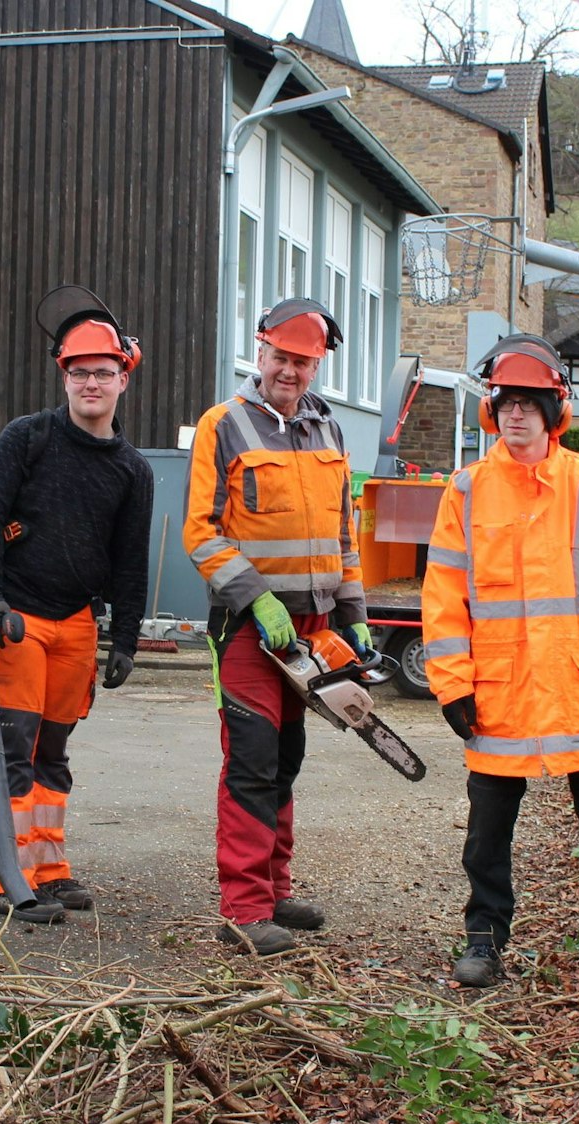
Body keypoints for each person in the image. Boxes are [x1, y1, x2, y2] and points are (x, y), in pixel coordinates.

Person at [420, 333, 579, 988]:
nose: (516, 415)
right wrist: (452, 685)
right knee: (487, 839)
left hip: (577, 692)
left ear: (551, 412)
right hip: (499, 695)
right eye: (507, 402)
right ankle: (483, 942)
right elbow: (444, 598)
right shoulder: (467, 491)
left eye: (529, 404)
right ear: (494, 409)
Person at [183, 298, 371, 956]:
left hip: (314, 627)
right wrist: (253, 593)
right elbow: (200, 532)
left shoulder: (330, 431)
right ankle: (242, 907)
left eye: (303, 362)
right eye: (281, 358)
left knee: (286, 760)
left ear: (315, 365)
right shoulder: (224, 426)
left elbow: (345, 534)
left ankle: (273, 886)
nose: (289, 371)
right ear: (259, 353)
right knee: (252, 763)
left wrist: (356, 612)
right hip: (248, 628)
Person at [0, 285, 155, 924]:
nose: (90, 384)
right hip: (18, 615)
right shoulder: (28, 439)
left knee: (53, 750)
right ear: (64, 376)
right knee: (15, 745)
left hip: (76, 620)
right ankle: (6, 879)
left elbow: (131, 562)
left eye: (103, 373)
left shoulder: (133, 470)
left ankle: (49, 868)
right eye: (79, 373)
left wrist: (123, 638)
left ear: (123, 378)